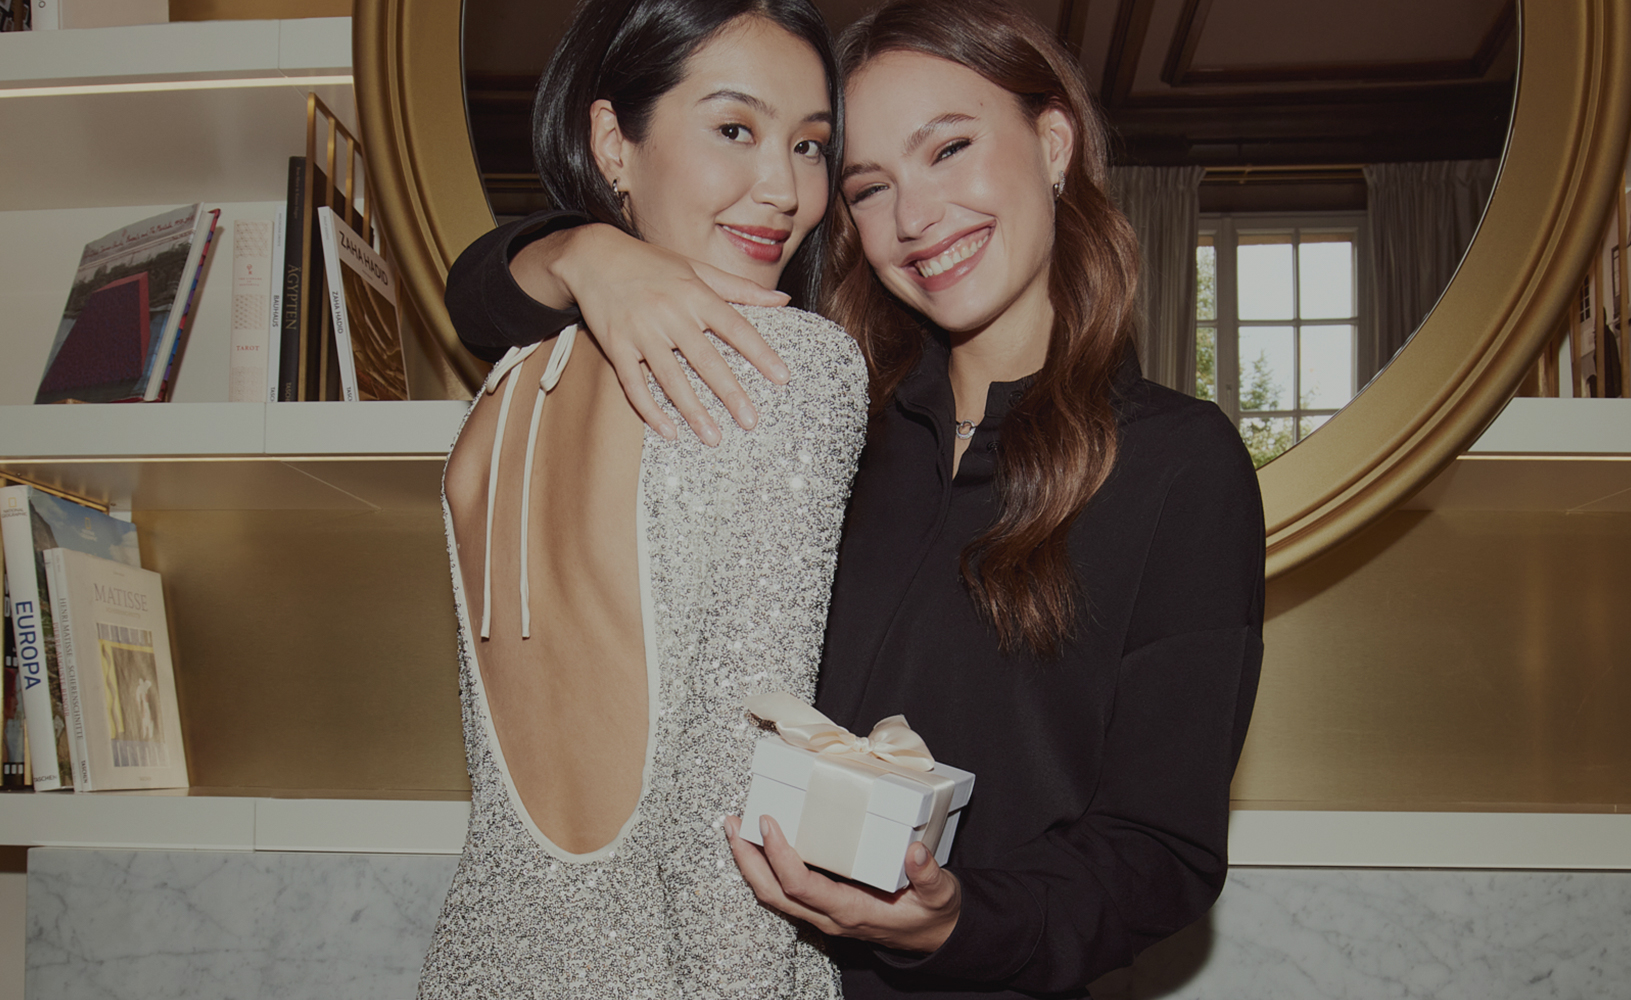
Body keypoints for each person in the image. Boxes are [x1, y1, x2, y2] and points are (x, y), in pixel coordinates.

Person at [445, 1, 1266, 997]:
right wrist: (587, 252)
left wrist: (956, 918)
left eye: (951, 148)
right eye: (870, 186)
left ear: (1053, 141)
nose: (917, 218)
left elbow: (1162, 851)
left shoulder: (1178, 464)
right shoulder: (818, 414)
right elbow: (478, 298)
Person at [417, 0, 867, 997]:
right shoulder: (786, 368)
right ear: (613, 142)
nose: (783, 187)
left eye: (811, 145)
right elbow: (729, 822)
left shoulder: (497, 396)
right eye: (735, 129)